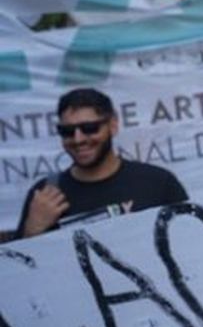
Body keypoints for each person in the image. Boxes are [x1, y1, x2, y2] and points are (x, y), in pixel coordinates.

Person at [16, 88, 188, 239]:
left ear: (112, 125)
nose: (78, 139)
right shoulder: (45, 195)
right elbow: (18, 263)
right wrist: (32, 231)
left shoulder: (158, 183)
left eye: (89, 128)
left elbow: (190, 242)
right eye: (67, 131)